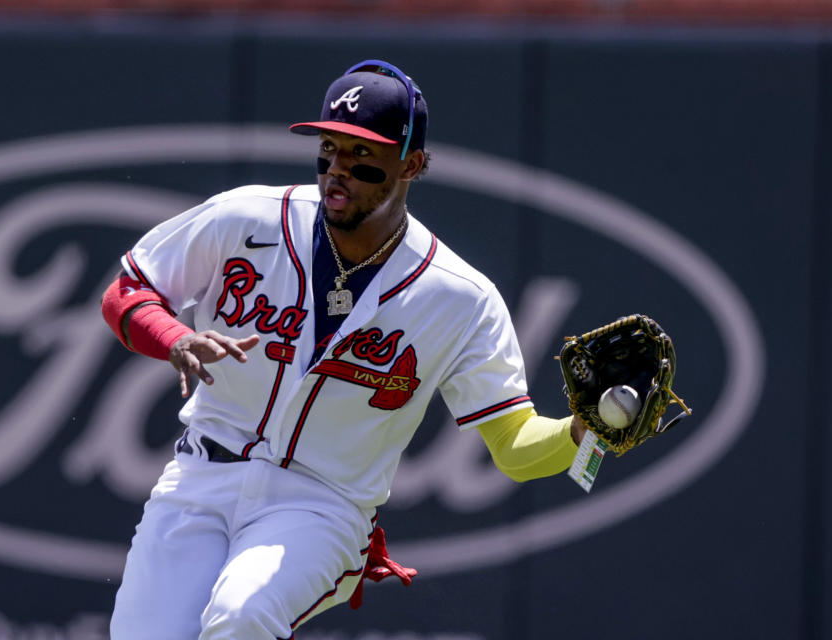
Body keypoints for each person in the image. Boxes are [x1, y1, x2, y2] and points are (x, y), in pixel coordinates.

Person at [102, 59, 586, 640]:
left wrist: (585, 434)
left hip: (320, 504)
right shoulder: (248, 217)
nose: (338, 170)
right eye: (329, 149)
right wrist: (174, 336)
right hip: (200, 475)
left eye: (362, 158)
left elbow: (513, 445)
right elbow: (128, 290)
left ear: (410, 164)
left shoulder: (460, 298)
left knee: (242, 616)